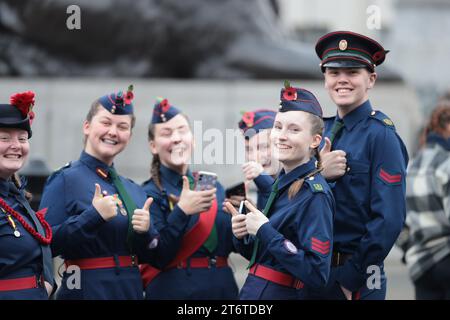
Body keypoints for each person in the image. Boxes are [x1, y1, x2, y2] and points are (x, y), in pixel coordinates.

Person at [39, 86, 165, 300]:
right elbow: (45, 244)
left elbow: (153, 257)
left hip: (130, 292)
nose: (113, 132)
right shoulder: (65, 179)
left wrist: (147, 232)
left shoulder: (134, 190)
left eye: (122, 126)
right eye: (106, 123)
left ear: (130, 135)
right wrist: (93, 217)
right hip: (87, 291)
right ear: (87, 126)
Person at [314, 31, 409, 299]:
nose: (342, 79)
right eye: (333, 72)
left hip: (356, 278)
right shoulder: (322, 130)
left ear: (371, 79)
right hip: (315, 270)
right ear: (325, 79)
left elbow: (389, 219)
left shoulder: (381, 135)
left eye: (353, 72)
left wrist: (351, 278)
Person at [226, 83, 334, 300]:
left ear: (315, 140)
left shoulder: (314, 194)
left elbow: (316, 272)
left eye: (294, 129)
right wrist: (242, 235)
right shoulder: (281, 184)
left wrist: (265, 230)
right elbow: (265, 257)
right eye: (278, 127)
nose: (281, 136)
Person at [140, 98, 239, 299]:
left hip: (223, 291)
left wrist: (243, 226)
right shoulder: (147, 194)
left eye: (182, 131)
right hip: (175, 292)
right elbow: (157, 256)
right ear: (153, 145)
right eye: (166, 133)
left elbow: (233, 246)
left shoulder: (213, 186)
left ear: (193, 140)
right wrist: (182, 212)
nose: (176, 138)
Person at [0, 91, 54, 299]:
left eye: (22, 138)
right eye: (4, 138)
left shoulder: (16, 197)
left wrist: (46, 283)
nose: (16, 145)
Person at [403, 99, 450, 299]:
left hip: (421, 266)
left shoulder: (410, 166)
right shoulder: (446, 164)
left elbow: (396, 220)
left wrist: (409, 249)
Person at [236, 109, 280, 210]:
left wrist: (264, 182)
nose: (254, 157)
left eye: (263, 147)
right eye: (248, 149)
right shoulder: (260, 183)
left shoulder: (299, 182)